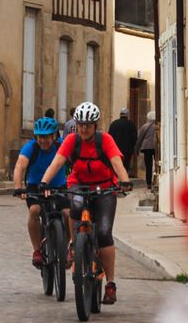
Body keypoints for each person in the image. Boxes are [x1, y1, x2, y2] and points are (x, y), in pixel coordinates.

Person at [40, 100, 130, 305]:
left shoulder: (105, 140)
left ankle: (110, 284)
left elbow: (117, 162)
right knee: (76, 206)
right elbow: (57, 162)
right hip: (79, 185)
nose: (83, 129)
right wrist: (44, 182)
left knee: (104, 233)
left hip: (105, 187)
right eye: (80, 125)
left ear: (95, 125)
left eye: (87, 125)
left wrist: (124, 181)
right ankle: (74, 244)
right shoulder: (72, 140)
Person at [13, 116, 68, 267]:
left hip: (59, 186)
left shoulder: (62, 146)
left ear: (54, 136)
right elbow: (19, 166)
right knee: (35, 210)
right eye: (39, 137)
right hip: (35, 187)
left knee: (67, 213)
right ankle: (37, 250)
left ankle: (68, 248)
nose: (42, 141)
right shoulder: (31, 147)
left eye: (46, 137)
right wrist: (18, 188)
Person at [108, 108, 138, 174]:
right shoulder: (131, 124)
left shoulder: (114, 124)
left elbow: (109, 137)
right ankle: (124, 179)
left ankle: (116, 178)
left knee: (116, 164)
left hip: (116, 148)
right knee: (125, 165)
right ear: (127, 115)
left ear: (120, 114)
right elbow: (134, 137)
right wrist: (132, 147)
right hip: (127, 149)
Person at [134, 110, 157, 189]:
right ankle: (156, 180)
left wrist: (136, 149)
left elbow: (139, 139)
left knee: (148, 166)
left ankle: (148, 184)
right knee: (157, 164)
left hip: (147, 148)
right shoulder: (158, 125)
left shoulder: (145, 126)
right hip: (156, 147)